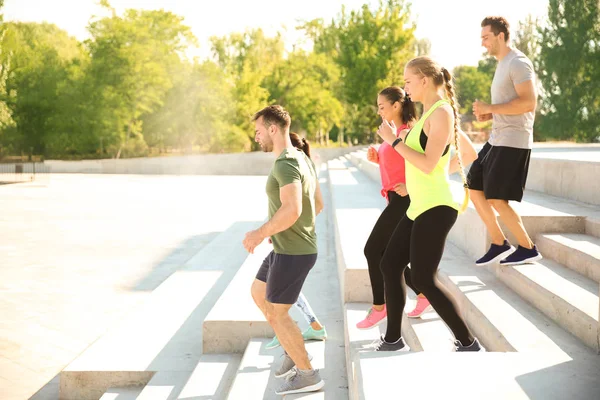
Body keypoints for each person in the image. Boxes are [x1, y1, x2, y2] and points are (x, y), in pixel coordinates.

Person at [374, 56, 484, 352]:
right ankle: (393, 338)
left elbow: (430, 162)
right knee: (389, 263)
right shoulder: (427, 115)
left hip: (437, 207)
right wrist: (415, 181)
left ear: (424, 79)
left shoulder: (442, 113)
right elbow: (439, 164)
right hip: (418, 204)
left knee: (423, 276)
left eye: (408, 81)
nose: (405, 86)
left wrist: (395, 141)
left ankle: (467, 341)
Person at [244, 105, 324, 395]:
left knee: (278, 314)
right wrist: (284, 228)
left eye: (258, 131)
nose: (256, 137)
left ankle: (308, 373)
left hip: (293, 252)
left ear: (273, 129)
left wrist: (260, 232)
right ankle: (293, 347)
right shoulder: (300, 157)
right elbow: (318, 204)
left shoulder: (286, 163)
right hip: (289, 247)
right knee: (257, 291)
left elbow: (292, 209)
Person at [357, 86, 432, 331]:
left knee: (372, 251)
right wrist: (377, 155)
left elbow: (425, 164)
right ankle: (423, 294)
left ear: (396, 106)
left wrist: (410, 186)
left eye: (382, 106)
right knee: (392, 257)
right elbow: (398, 161)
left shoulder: (408, 132)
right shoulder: (394, 133)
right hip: (394, 199)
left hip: (406, 201)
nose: (379, 111)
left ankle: (380, 307)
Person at [470, 16, 542, 266]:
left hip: (514, 140)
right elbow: (511, 104)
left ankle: (527, 247)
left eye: (486, 38)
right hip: (497, 138)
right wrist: (490, 112)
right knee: (474, 185)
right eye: (482, 38)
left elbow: (528, 102)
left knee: (497, 197)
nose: (483, 43)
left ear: (501, 35)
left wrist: (491, 106)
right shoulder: (502, 64)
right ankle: (499, 242)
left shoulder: (518, 63)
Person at [265, 133, 328, 350]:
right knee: (277, 289)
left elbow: (297, 208)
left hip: (292, 245)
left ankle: (293, 337)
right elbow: (319, 205)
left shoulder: (291, 164)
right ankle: (311, 325)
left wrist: (287, 227)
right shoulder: (307, 164)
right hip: (299, 242)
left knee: (279, 296)